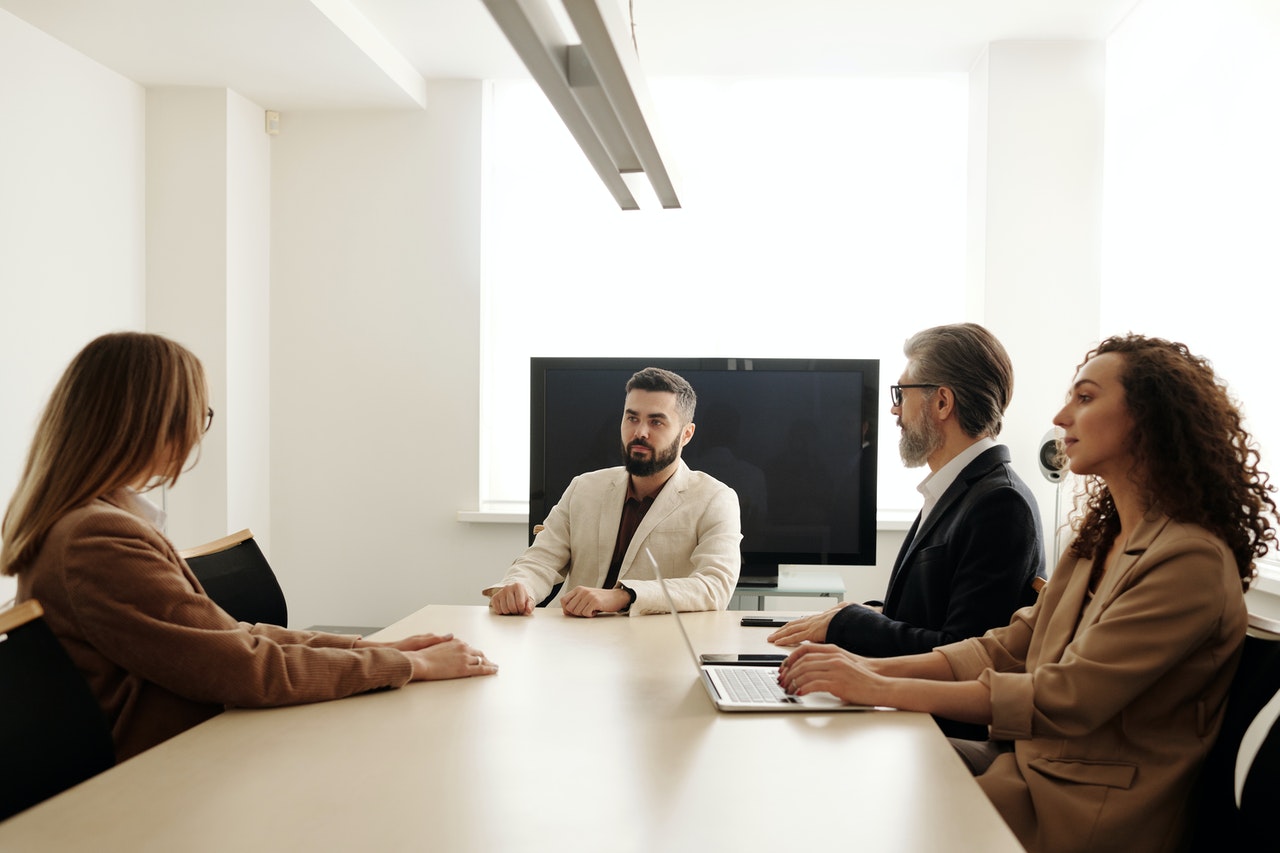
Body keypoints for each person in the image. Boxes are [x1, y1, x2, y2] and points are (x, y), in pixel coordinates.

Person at [777, 334, 1276, 853]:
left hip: (1086, 811)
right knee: (834, 765)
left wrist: (876, 687)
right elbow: (1004, 648)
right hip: (1027, 770)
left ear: (1148, 418)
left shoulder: (1189, 560)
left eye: (1084, 398)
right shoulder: (1097, 541)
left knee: (848, 796)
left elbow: (1064, 698)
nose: (1060, 417)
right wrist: (862, 669)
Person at [0, 332, 497, 762]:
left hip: (197, 745)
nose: (198, 431)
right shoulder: (96, 538)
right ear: (152, 420)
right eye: (198, 413)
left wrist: (370, 648)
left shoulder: (93, 522)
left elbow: (229, 638)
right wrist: (407, 666)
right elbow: (240, 666)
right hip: (170, 769)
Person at [768, 323, 1045, 738]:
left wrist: (849, 623)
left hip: (937, 736)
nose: (894, 410)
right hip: (909, 719)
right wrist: (851, 615)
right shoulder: (957, 488)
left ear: (942, 402)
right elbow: (923, 612)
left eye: (902, 393)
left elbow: (960, 651)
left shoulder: (1000, 503)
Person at [485, 367, 741, 617]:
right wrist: (519, 588)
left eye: (656, 421)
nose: (640, 432)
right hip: (572, 639)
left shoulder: (716, 498)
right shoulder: (583, 487)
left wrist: (624, 595)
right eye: (632, 418)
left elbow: (715, 585)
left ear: (686, 434)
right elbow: (541, 559)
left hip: (655, 647)